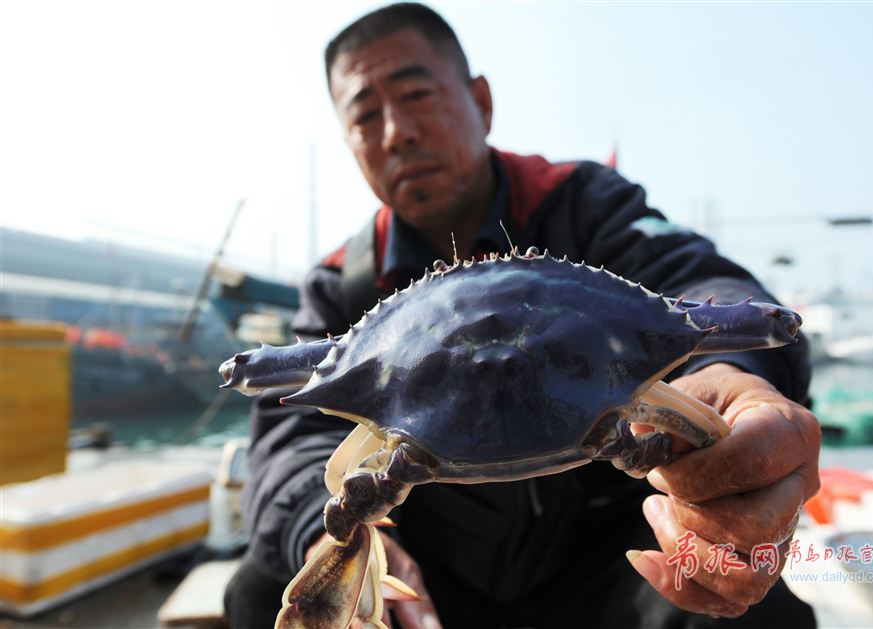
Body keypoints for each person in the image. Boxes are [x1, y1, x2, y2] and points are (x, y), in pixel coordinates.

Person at [224, 4, 821, 628]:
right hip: (431, 580)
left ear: (480, 101)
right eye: (365, 115)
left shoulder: (586, 206)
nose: (396, 131)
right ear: (347, 140)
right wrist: (323, 538)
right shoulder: (338, 286)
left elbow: (698, 280)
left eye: (417, 94)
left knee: (748, 603)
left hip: (609, 557)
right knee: (266, 591)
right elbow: (291, 437)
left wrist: (734, 372)